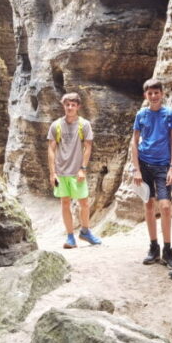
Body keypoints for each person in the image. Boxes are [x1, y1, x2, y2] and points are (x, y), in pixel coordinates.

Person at [130, 79, 172, 269]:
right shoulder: (141, 115)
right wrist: (136, 169)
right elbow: (134, 142)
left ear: (162, 93)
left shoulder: (170, 115)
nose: (153, 96)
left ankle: (168, 250)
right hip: (144, 165)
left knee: (166, 206)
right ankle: (154, 247)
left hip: (163, 166)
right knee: (149, 204)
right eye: (150, 93)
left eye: (156, 93)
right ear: (146, 95)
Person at [47, 92, 102, 248]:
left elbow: (88, 146)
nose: (70, 107)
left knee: (84, 202)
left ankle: (85, 231)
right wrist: (52, 173)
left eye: (73, 105)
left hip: (77, 171)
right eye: (67, 104)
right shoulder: (56, 125)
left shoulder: (83, 124)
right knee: (65, 203)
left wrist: (82, 168)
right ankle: (70, 237)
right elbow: (51, 149)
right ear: (63, 105)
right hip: (61, 171)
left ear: (78, 107)